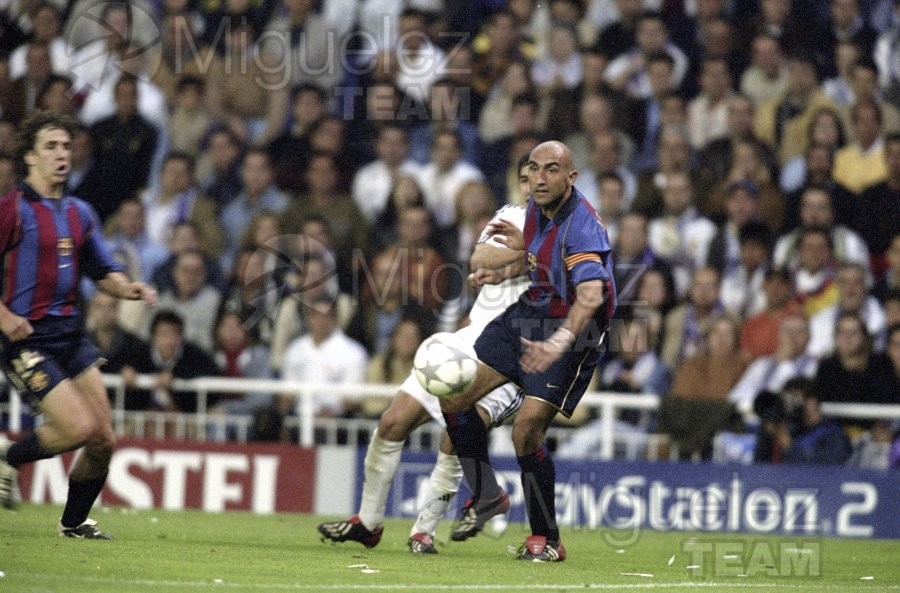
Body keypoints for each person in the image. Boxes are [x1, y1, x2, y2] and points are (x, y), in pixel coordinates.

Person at [318, 161, 532, 556]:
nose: (534, 184)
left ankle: (424, 530)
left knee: (456, 432)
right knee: (392, 420)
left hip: (511, 357)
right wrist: (524, 259)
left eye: (544, 175)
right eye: (527, 177)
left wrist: (522, 257)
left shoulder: (569, 235)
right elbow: (480, 262)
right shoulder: (507, 215)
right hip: (467, 341)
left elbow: (560, 277)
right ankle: (367, 522)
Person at [439, 140, 615, 562]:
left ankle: (547, 538)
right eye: (534, 168)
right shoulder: (538, 208)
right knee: (454, 395)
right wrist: (502, 272)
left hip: (574, 330)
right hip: (529, 312)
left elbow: (591, 294)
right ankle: (486, 494)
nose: (540, 177)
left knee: (526, 429)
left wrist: (557, 342)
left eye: (551, 170)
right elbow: (539, 261)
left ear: (571, 178)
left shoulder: (583, 226)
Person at [0, 112, 157, 535]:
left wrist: (128, 289)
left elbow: (101, 269)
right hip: (27, 340)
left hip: (71, 338)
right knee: (78, 427)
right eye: (50, 146)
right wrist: (5, 316)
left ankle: (73, 523)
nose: (61, 154)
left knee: (103, 438)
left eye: (66, 146)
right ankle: (7, 457)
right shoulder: (12, 208)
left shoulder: (79, 212)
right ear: (30, 157)